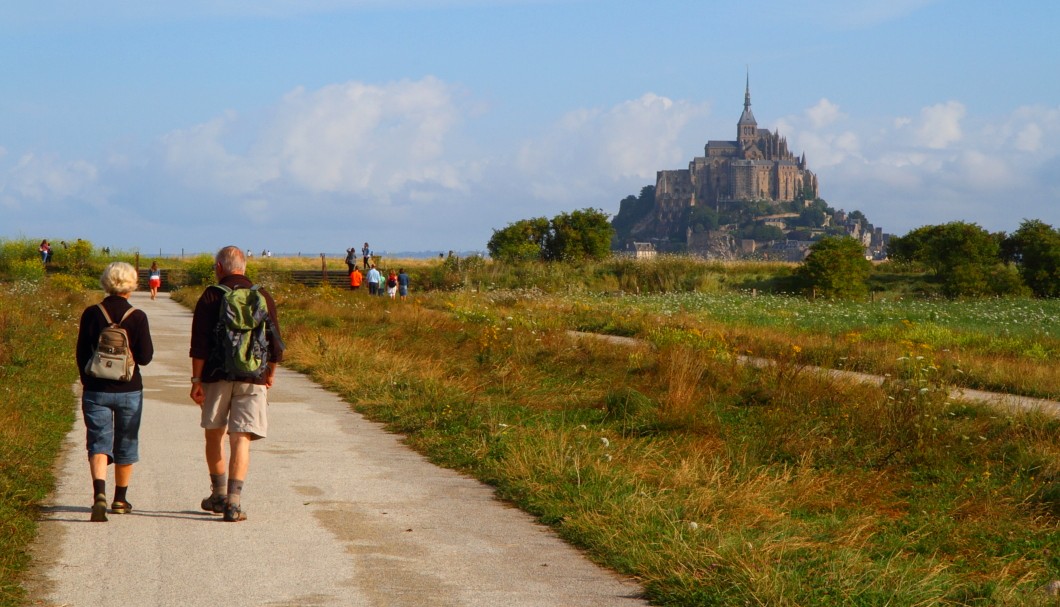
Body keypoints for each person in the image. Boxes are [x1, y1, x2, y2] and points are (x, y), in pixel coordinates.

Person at [189, 246, 283, 522]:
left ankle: (217, 494)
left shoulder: (210, 296)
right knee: (241, 438)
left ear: (219, 268)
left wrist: (196, 379)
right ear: (244, 267)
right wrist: (270, 374)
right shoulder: (261, 295)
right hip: (253, 374)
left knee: (214, 433)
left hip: (216, 375)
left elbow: (199, 345)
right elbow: (275, 343)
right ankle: (234, 503)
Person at [75, 262, 154, 521]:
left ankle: (99, 493)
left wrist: (87, 383)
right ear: (132, 284)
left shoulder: (91, 313)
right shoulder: (138, 316)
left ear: (106, 282)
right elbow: (145, 357)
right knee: (126, 441)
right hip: (129, 389)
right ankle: (120, 499)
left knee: (98, 441)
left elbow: (81, 354)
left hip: (96, 388)